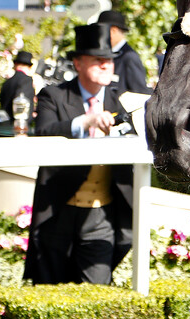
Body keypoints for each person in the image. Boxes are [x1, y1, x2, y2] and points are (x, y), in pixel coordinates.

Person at [24, 23, 134, 285]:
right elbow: (43, 134)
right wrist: (84, 122)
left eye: (109, 60)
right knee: (50, 289)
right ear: (78, 63)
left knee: (97, 291)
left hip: (102, 215)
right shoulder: (54, 95)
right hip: (58, 209)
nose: (107, 65)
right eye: (98, 60)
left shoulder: (125, 101)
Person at [96, 10, 152, 94]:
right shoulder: (111, 53)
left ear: (113, 31)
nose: (99, 35)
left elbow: (140, 92)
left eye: (100, 31)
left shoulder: (129, 56)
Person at [0, 51, 36, 120]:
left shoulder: (7, 82)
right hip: (18, 125)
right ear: (29, 67)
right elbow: (21, 105)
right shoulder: (26, 80)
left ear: (15, 64)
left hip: (5, 123)